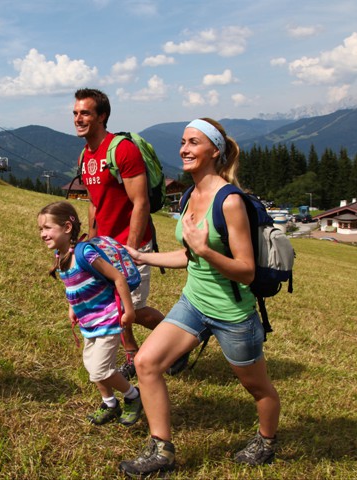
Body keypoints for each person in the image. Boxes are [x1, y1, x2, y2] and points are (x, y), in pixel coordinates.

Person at [118, 119, 281, 477]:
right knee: (146, 363)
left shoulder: (230, 201)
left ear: (215, 151)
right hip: (194, 303)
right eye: (182, 142)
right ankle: (161, 450)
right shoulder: (190, 195)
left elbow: (246, 271)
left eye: (194, 142)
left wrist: (205, 250)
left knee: (258, 388)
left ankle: (266, 440)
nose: (184, 149)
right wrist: (145, 257)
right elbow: (188, 256)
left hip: (233, 314)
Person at [73, 88, 188, 380]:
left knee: (132, 309)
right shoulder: (85, 156)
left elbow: (141, 202)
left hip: (131, 243)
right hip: (103, 246)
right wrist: (90, 242)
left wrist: (130, 249)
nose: (78, 118)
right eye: (75, 113)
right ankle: (133, 357)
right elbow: (94, 203)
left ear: (102, 116)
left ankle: (179, 343)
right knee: (113, 308)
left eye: (85, 113)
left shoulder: (122, 149)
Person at [38, 201, 143, 426]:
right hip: (89, 322)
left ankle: (134, 396)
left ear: (67, 228)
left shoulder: (85, 253)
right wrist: (72, 308)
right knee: (91, 365)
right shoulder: (61, 254)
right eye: (40, 229)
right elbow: (71, 285)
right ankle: (110, 403)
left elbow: (118, 278)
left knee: (100, 369)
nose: (43, 234)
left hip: (108, 319)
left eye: (47, 228)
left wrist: (129, 311)